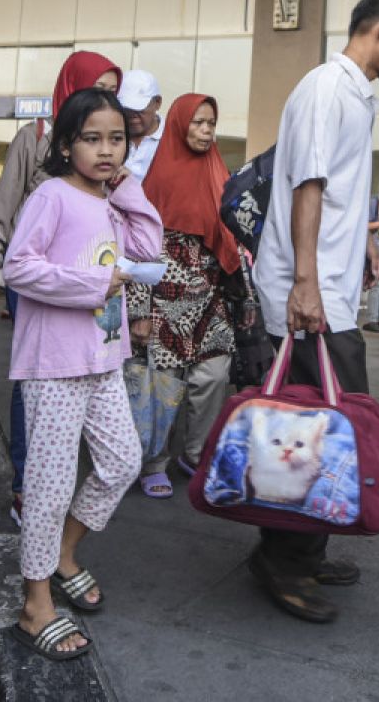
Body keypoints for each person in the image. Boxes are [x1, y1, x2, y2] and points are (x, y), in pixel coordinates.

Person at [253, 0, 379, 623]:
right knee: (312, 432)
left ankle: (301, 551)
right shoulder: (327, 88)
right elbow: (308, 187)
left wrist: (360, 254)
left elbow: (339, 197)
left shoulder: (354, 93)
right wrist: (305, 282)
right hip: (311, 297)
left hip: (330, 289)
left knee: (324, 424)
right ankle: (284, 564)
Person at [4, 87, 163, 659]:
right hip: (54, 364)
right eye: (92, 139)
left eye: (116, 139)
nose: (105, 150)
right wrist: (95, 284)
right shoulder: (51, 195)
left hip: (103, 358)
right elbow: (17, 266)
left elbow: (148, 247)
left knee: (122, 460)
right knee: (47, 486)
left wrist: (129, 189)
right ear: (67, 144)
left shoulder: (111, 199)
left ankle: (65, 554)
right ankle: (35, 603)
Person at [0, 51, 122, 526]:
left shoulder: (109, 157)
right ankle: (27, 484)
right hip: (36, 272)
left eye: (113, 92)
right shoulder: (34, 138)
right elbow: (5, 203)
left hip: (93, 279)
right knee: (36, 381)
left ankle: (54, 482)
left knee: (80, 378)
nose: (105, 99)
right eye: (97, 87)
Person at [128, 94, 243, 498]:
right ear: (179, 124)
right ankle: (153, 462)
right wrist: (139, 310)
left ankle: (195, 453)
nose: (206, 131)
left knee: (213, 375)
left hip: (209, 297)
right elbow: (138, 247)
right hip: (163, 296)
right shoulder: (154, 179)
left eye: (211, 123)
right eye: (197, 123)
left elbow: (230, 235)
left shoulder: (218, 173)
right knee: (162, 383)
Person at [117, 70, 165, 180]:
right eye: (126, 109)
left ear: (157, 103)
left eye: (139, 109)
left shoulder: (173, 139)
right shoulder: (109, 136)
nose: (132, 115)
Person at [362, 194, 379, 334]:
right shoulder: (374, 202)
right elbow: (364, 224)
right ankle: (372, 319)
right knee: (378, 283)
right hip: (377, 245)